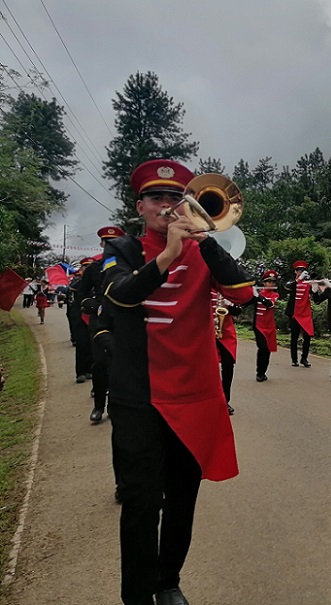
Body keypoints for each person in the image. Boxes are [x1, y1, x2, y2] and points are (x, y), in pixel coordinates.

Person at [101, 159, 254, 605]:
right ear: (140, 206)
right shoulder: (122, 248)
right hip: (139, 396)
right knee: (142, 503)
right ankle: (137, 595)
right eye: (157, 199)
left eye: (176, 198)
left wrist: (205, 243)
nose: (167, 207)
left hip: (195, 394)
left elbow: (243, 295)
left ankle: (168, 581)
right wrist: (166, 255)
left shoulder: (204, 248)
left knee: (184, 496)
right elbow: (120, 294)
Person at [80, 226, 125, 423]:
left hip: (123, 320)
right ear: (101, 244)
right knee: (99, 363)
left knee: (122, 363)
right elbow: (81, 294)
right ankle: (99, 406)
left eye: (113, 243)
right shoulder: (93, 268)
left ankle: (119, 405)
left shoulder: (128, 265)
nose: (109, 246)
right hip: (100, 321)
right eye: (106, 242)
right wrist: (93, 306)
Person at [213, 293, 241, 415]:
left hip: (226, 333)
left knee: (228, 364)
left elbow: (237, 311)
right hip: (206, 331)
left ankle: (225, 400)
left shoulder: (227, 288)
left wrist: (231, 304)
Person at [69, 260, 94, 382]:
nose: (88, 269)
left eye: (90, 267)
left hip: (93, 316)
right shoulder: (77, 280)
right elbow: (74, 287)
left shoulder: (97, 281)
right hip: (79, 316)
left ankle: (90, 369)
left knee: (92, 344)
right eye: (85, 267)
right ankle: (81, 372)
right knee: (82, 343)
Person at [285, 260, 313, 367]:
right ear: (295, 272)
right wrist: (298, 280)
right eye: (298, 270)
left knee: (307, 336)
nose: (300, 272)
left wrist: (316, 286)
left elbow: (315, 296)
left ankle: (304, 358)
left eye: (302, 270)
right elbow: (287, 288)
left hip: (305, 314)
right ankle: (294, 359)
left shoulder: (307, 284)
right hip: (294, 314)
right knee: (294, 337)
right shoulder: (292, 283)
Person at [252, 269, 280, 382]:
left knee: (267, 350)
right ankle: (259, 372)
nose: (271, 284)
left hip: (269, 326)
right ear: (264, 283)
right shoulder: (258, 294)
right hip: (258, 325)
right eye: (268, 282)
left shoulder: (275, 294)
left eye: (273, 282)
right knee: (262, 347)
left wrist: (258, 296)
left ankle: (263, 372)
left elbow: (269, 304)